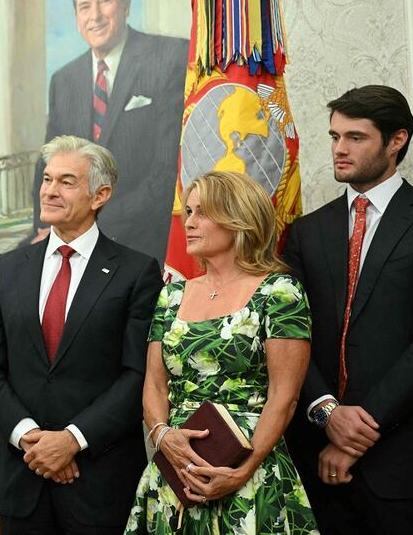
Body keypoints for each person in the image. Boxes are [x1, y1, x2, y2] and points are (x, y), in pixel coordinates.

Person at [0, 135, 162, 534]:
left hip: (99, 484)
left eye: (66, 181)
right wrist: (31, 439)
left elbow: (137, 375)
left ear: (100, 195)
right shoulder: (7, 268)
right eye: (46, 179)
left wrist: (72, 440)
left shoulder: (136, 272)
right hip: (23, 482)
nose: (49, 191)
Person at [125, 170, 317, 534]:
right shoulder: (172, 294)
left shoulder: (280, 291)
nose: (188, 222)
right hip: (175, 471)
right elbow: (153, 383)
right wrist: (164, 436)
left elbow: (284, 397)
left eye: (202, 213)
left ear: (239, 220)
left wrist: (243, 468)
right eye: (189, 211)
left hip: (249, 473)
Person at [283, 85, 413, 534]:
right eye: (334, 137)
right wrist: (328, 413)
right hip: (314, 461)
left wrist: (357, 434)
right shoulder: (306, 233)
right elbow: (291, 338)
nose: (339, 149)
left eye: (355, 137)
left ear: (397, 141)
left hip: (405, 464)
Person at [32, 0, 189, 266]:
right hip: (75, 253)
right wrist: (48, 227)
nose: (96, 16)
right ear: (76, 14)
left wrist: (90, 227)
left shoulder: (170, 57)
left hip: (146, 249)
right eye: (85, 6)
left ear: (126, 2)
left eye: (105, 1)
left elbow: (166, 173)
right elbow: (47, 165)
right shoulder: (64, 80)